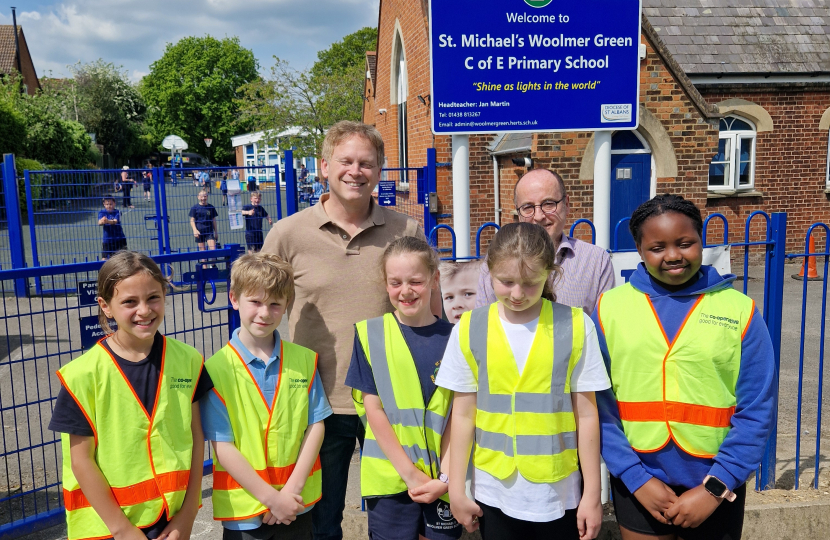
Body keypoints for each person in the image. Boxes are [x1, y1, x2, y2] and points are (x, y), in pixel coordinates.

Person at [261, 121, 440, 540]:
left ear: (379, 171)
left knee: (397, 518)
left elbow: (433, 309)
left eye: (367, 163)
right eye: (346, 161)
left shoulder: (406, 231)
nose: (355, 171)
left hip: (392, 400)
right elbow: (258, 311)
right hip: (319, 402)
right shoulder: (288, 235)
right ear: (324, 166)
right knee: (323, 523)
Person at [594, 195, 776, 540]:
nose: (673, 255)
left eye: (685, 243)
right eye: (657, 247)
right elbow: (598, 406)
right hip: (639, 483)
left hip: (716, 484)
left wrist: (715, 488)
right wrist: (636, 478)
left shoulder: (741, 310)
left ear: (701, 240)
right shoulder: (608, 309)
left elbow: (757, 409)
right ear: (639, 249)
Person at [437, 222, 610, 540]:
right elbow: (462, 414)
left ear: (550, 273)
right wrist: (458, 489)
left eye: (530, 283)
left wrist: (592, 495)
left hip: (559, 494)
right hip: (493, 492)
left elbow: (587, 415)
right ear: (488, 272)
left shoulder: (575, 325)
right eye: (506, 282)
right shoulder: (469, 327)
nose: (517, 294)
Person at [48, 251, 212, 540]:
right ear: (105, 306)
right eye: (129, 302)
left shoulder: (188, 360)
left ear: (165, 294)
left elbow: (196, 437)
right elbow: (81, 460)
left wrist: (188, 515)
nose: (144, 310)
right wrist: (123, 531)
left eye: (153, 297)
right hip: (109, 529)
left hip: (172, 521)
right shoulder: (82, 375)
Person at [201, 252, 331, 540]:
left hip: (296, 505)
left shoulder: (304, 360)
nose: (264, 312)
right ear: (234, 299)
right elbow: (222, 446)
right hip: (245, 512)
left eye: (275, 304)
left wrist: (289, 495)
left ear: (286, 306)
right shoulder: (215, 369)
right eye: (255, 302)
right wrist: (273, 499)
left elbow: (316, 426)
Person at [346, 236, 462, 540]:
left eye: (416, 281)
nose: (405, 291)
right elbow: (374, 410)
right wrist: (411, 476)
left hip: (443, 482)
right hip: (392, 481)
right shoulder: (370, 335)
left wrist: (446, 478)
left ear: (435, 279)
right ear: (385, 284)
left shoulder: (457, 338)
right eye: (395, 282)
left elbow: (459, 415)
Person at [476, 169, 614, 314]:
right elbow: (484, 324)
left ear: (566, 204)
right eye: (528, 207)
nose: (539, 216)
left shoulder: (596, 261)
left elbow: (602, 329)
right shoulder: (497, 261)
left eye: (548, 204)